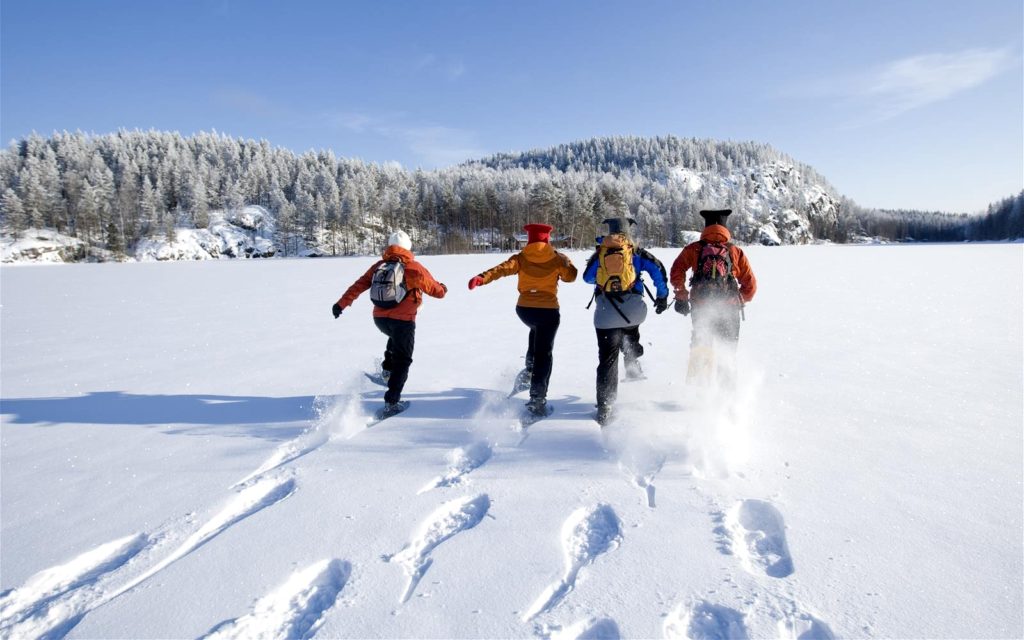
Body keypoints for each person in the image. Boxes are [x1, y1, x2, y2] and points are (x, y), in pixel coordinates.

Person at [332, 230, 447, 417]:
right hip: (403, 320)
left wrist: (340, 304)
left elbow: (359, 285)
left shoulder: (380, 265)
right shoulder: (413, 267)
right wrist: (443, 288)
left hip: (380, 319)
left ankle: (386, 370)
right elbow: (437, 292)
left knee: (395, 338)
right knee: (403, 359)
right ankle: (392, 402)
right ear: (408, 247)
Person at [468, 223, 577, 417]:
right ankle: (537, 399)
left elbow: (501, 269)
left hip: (525, 310)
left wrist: (481, 278)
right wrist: (565, 259)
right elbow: (571, 277)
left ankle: (529, 368)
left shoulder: (521, 258)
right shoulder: (556, 258)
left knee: (535, 329)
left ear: (530, 239)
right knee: (544, 353)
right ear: (547, 239)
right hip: (548, 310)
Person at [583, 216, 670, 424]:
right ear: (628, 233)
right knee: (629, 331)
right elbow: (658, 270)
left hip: (605, 313)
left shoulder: (601, 254)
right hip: (634, 311)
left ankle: (605, 405)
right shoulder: (636, 253)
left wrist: (604, 275)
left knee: (607, 359)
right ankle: (632, 358)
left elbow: (587, 278)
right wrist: (662, 296)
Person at [669, 209, 757, 388]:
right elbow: (751, 286)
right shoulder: (735, 251)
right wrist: (740, 299)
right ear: (725, 227)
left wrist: (682, 294)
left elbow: (676, 271)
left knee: (702, 350)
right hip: (729, 311)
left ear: (705, 227)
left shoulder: (694, 249)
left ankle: (700, 397)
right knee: (727, 355)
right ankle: (727, 400)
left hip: (701, 309)